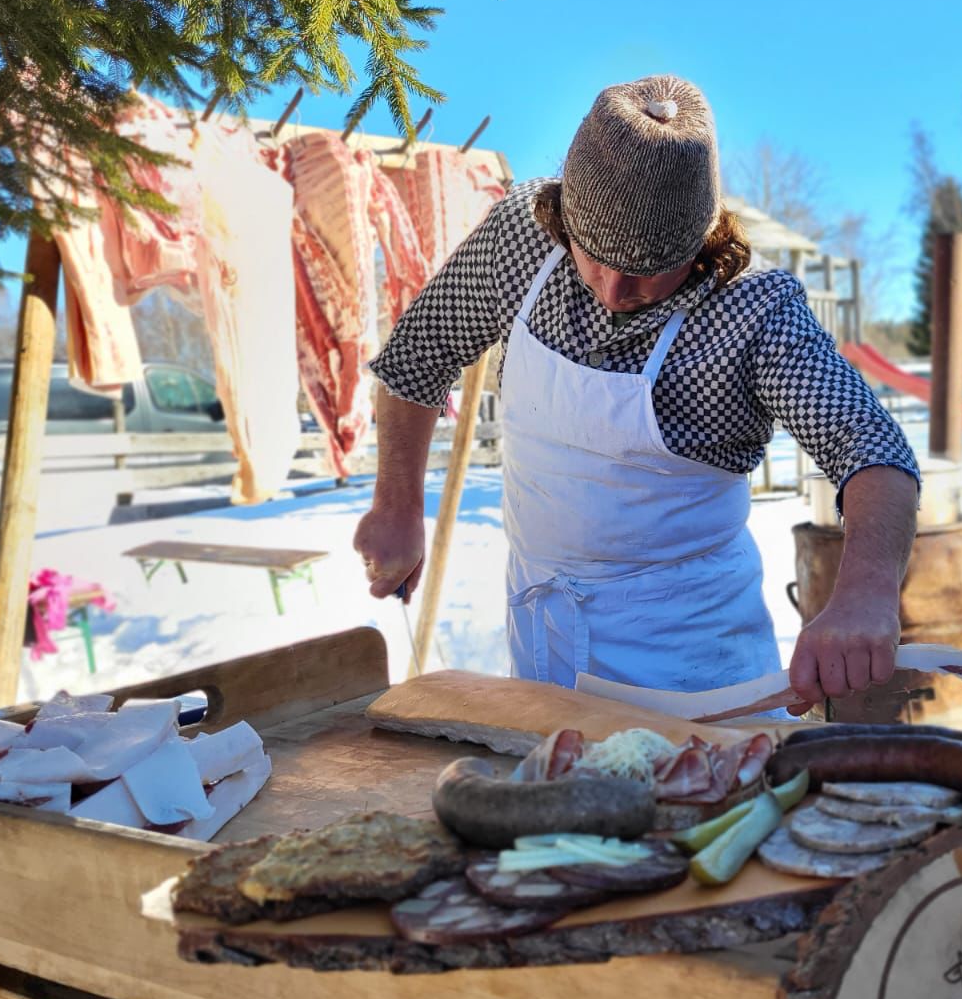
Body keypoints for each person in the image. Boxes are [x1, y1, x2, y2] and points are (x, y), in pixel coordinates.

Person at [355, 74, 919, 711]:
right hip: (544, 647)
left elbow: (871, 446)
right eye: (592, 257)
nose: (614, 292)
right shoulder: (521, 236)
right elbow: (416, 359)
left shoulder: (754, 311)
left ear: (704, 242)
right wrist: (397, 505)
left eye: (648, 272)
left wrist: (866, 592)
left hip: (696, 674)